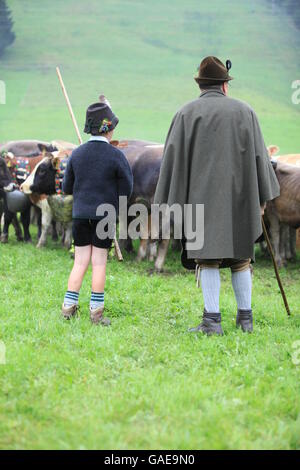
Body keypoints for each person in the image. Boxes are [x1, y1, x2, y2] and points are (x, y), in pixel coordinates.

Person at [154, 56, 280, 335]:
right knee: (241, 258)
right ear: (225, 85)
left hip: (200, 202)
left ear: (201, 85)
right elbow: (261, 157)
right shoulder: (246, 112)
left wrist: (172, 204)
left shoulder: (185, 114)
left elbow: (172, 161)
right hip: (240, 199)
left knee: (207, 258)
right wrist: (262, 197)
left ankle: (212, 321)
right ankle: (245, 320)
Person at [61, 102, 133, 325]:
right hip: (105, 216)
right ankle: (96, 313)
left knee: (80, 261)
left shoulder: (77, 154)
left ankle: (68, 308)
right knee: (99, 263)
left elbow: (65, 188)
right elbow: (127, 189)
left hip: (80, 215)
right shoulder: (116, 155)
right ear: (109, 129)